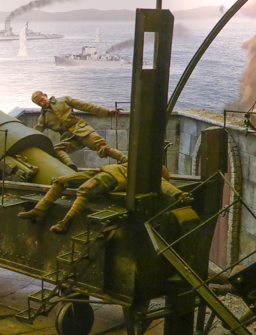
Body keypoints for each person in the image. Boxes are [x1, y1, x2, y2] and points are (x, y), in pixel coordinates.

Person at [18, 164, 191, 234]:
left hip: (112, 178)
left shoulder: (147, 174)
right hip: (100, 171)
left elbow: (164, 185)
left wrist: (179, 194)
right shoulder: (130, 164)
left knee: (84, 190)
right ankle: (38, 210)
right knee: (60, 181)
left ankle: (65, 223)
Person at [31, 90, 127, 168]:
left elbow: (86, 106)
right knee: (57, 150)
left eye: (42, 100)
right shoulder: (43, 118)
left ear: (45, 95)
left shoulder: (64, 100)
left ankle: (126, 161)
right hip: (69, 138)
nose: (42, 103)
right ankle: (70, 167)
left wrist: (107, 112)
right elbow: (36, 131)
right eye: (39, 103)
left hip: (82, 129)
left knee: (102, 148)